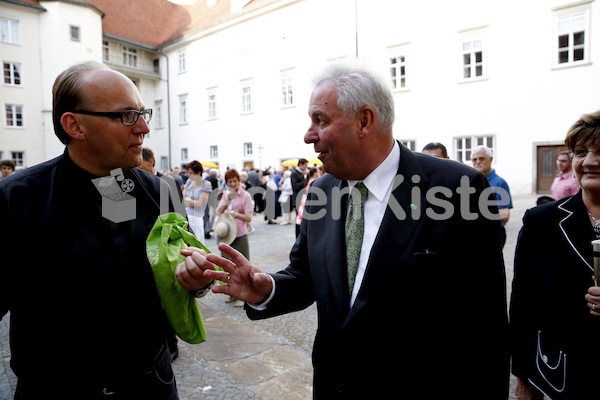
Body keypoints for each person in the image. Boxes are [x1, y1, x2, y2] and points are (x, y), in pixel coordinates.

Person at [175, 63, 509, 399]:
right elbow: (306, 275)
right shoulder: (321, 191)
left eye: (320, 120)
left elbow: (487, 328)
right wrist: (266, 288)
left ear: (364, 120)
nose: (308, 135)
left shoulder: (458, 189)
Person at [0, 61, 213, 399]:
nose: (143, 127)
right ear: (74, 125)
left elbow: (182, 272)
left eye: (143, 113)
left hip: (148, 385)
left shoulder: (160, 191)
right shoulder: (18, 199)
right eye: (126, 115)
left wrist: (196, 278)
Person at [511, 110, 600, 399]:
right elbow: (523, 303)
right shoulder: (541, 222)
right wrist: (522, 374)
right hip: (560, 375)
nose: (589, 162)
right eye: (581, 152)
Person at [216, 168, 253, 307]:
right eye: (230, 181)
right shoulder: (226, 195)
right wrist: (227, 200)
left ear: (239, 181)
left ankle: (244, 296)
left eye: (235, 181)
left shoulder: (245, 196)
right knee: (227, 265)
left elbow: (249, 217)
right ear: (226, 183)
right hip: (226, 235)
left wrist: (235, 214)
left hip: (240, 234)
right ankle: (232, 293)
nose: (232, 184)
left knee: (243, 265)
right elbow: (218, 212)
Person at [471, 145, 513, 248]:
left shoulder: (499, 183)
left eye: (481, 158)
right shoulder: (470, 181)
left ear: (491, 159)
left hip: (493, 233)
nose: (477, 162)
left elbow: (504, 215)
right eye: (474, 159)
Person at [183, 160, 212, 240]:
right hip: (186, 217)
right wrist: (191, 202)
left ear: (198, 173)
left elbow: (200, 204)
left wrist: (188, 200)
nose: (188, 175)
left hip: (196, 219)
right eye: (188, 173)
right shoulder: (189, 182)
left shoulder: (206, 184)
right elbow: (182, 199)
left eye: (191, 173)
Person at [291, 158, 307, 235]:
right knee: (298, 220)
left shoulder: (300, 173)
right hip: (297, 198)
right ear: (300, 164)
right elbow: (295, 186)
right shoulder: (294, 173)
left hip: (301, 198)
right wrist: (305, 181)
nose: (306, 167)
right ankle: (298, 237)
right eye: (305, 165)